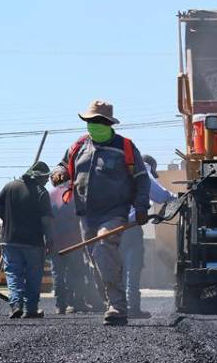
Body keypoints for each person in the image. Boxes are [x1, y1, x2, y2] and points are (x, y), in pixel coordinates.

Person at [51, 100, 150, 326]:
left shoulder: (125, 147)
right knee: (96, 261)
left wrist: (142, 206)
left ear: (108, 123)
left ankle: (117, 305)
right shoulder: (78, 147)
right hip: (86, 214)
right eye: (90, 121)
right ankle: (111, 298)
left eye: (98, 121)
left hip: (114, 212)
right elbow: (62, 165)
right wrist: (58, 173)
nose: (94, 125)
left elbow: (142, 179)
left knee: (104, 246)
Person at [0, 161, 54, 318]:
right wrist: (50, 239)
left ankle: (16, 305)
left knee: (13, 273)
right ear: (39, 177)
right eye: (46, 177)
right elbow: (46, 219)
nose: (47, 180)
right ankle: (31, 309)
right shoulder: (41, 192)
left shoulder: (10, 187)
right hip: (33, 242)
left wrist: (6, 221)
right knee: (33, 275)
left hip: (10, 239)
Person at [119, 154, 176, 319]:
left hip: (112, 227)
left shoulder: (120, 172)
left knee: (117, 269)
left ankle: (117, 306)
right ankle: (133, 308)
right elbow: (160, 195)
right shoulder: (142, 171)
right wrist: (176, 198)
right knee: (132, 269)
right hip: (130, 228)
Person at [47, 184, 102, 313]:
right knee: (76, 274)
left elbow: (46, 219)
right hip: (74, 242)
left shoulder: (50, 195)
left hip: (56, 243)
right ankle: (77, 303)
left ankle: (60, 306)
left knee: (58, 275)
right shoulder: (75, 194)